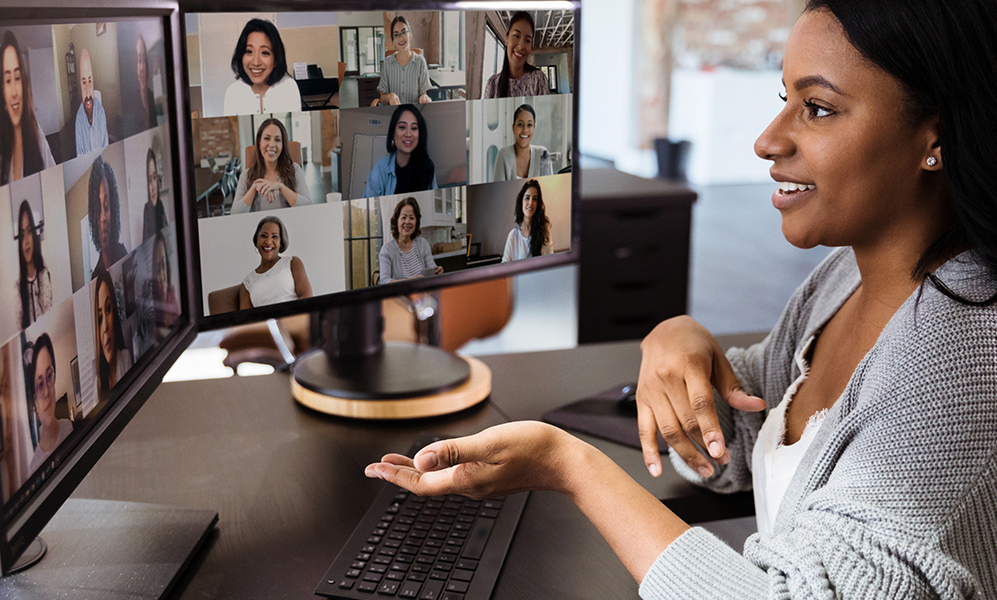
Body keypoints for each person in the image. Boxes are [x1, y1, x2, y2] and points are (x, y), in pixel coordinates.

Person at [365, 1, 997, 597]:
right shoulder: (843, 280)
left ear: (933, 135)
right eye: (785, 99)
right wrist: (682, 349)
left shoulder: (963, 357)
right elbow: (760, 430)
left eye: (818, 108)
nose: (768, 140)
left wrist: (567, 465)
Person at [0, 30, 55, 185]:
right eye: (8, 80)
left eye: (17, 78)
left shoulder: (38, 137)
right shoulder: (4, 149)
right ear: (3, 90)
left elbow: (53, 184)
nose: (15, 92)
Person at [223, 19, 301, 116]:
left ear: (276, 60)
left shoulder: (288, 88)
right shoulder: (233, 93)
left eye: (265, 53)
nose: (256, 62)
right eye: (249, 51)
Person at [231, 118, 308, 214]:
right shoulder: (246, 175)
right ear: (259, 142)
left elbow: (308, 206)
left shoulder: (295, 169)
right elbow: (234, 214)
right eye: (267, 138)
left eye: (277, 140)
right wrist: (254, 187)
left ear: (282, 145)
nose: (272, 145)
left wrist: (280, 187)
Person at [363, 104, 437, 198]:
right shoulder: (380, 170)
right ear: (393, 132)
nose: (408, 134)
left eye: (414, 128)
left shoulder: (428, 168)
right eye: (402, 127)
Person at [239, 216, 312, 309]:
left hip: (293, 319)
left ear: (281, 242)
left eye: (275, 236)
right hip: (265, 323)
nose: (268, 242)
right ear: (257, 239)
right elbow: (245, 319)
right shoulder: (247, 282)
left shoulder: (292, 263)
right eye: (264, 235)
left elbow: (307, 297)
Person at [28, 334, 71, 471]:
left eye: (49, 377)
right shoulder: (34, 468)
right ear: (35, 401)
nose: (46, 392)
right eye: (40, 384)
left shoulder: (72, 428)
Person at [482, 11, 549, 99]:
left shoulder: (538, 79)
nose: (521, 46)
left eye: (527, 40)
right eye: (516, 36)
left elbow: (546, 112)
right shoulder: (492, 85)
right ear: (507, 38)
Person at [378, 196, 441, 284]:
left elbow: (432, 269)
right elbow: (383, 282)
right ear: (397, 221)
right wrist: (411, 280)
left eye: (412, 218)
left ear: (416, 222)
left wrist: (438, 271)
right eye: (403, 217)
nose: (407, 221)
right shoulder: (387, 250)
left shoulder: (423, 244)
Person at [376, 16, 431, 106]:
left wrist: (424, 97)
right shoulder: (387, 63)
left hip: (413, 114)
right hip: (394, 114)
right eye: (396, 34)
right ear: (393, 40)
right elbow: (383, 99)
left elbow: (423, 94)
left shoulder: (420, 62)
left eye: (403, 32)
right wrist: (390, 96)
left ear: (410, 35)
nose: (401, 38)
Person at [94, 266, 132, 395]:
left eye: (108, 309)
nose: (105, 327)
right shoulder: (97, 386)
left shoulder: (126, 358)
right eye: (99, 318)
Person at [15, 200, 52, 328]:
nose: (26, 241)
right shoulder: (18, 288)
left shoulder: (44, 275)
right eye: (22, 234)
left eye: (29, 231)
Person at [492, 104, 552, 181]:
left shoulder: (542, 154)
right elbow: (498, 191)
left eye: (529, 125)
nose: (525, 130)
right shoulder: (504, 155)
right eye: (520, 124)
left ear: (534, 128)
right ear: (513, 128)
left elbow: (549, 188)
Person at [88, 157, 127, 272]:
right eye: (98, 210)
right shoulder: (95, 275)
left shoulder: (123, 256)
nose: (103, 218)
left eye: (106, 207)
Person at [500, 179, 552, 262]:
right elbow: (504, 264)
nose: (531, 203)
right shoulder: (513, 236)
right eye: (527, 198)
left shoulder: (544, 229)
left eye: (535, 199)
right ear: (521, 201)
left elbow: (551, 258)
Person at [75, 49, 109, 155]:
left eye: (90, 81)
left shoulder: (100, 112)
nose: (88, 93)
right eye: (84, 82)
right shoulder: (79, 121)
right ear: (80, 86)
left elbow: (106, 148)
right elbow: (80, 158)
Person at [142, 147, 167, 241]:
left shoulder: (160, 205)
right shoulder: (147, 210)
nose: (153, 187)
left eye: (155, 178)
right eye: (149, 180)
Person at [136, 35, 157, 130]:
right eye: (139, 60)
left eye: (144, 60)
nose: (141, 68)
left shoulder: (155, 100)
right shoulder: (134, 102)